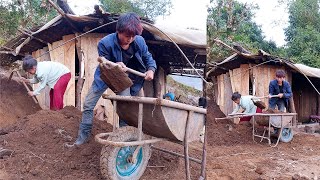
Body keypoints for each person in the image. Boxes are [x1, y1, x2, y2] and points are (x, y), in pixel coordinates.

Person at [74, 12, 157, 146]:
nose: (130, 39)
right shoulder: (105, 43)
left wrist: (151, 70)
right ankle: (83, 137)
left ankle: (122, 139)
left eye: (133, 36)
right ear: (118, 31)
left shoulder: (139, 42)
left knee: (125, 109)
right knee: (88, 104)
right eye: (127, 35)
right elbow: (105, 62)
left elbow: (148, 58)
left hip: (125, 80)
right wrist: (116, 65)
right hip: (106, 76)